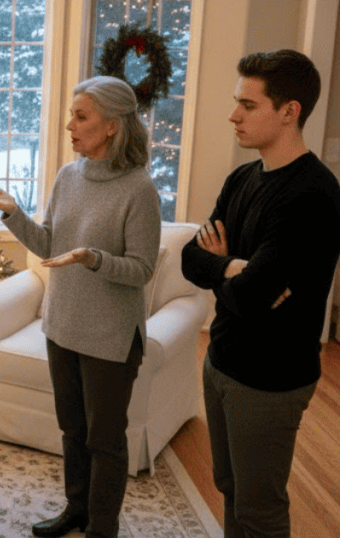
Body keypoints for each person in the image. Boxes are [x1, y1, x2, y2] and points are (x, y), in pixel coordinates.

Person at [0, 75, 161, 538]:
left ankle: (102, 527)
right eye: (72, 115)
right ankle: (77, 509)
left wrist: (93, 258)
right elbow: (49, 244)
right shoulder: (68, 176)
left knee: (105, 441)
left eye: (81, 117)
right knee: (72, 431)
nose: (69, 126)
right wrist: (13, 213)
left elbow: (141, 270)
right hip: (62, 326)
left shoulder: (139, 191)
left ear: (113, 126)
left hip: (111, 337)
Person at [181, 49, 340, 538]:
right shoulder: (243, 177)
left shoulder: (313, 194)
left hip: (270, 380)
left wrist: (231, 278)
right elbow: (191, 258)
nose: (234, 115)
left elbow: (250, 297)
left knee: (259, 511)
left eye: (248, 105)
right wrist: (232, 267)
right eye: (236, 102)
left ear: (289, 111)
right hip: (221, 360)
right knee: (229, 486)